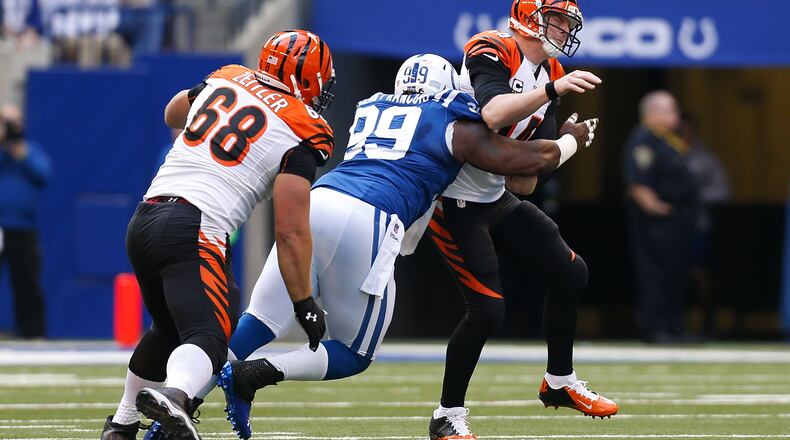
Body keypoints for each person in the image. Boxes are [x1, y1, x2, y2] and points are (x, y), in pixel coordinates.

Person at [211, 53, 597, 440]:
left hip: (319, 199)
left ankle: (181, 397)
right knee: (354, 353)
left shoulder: (370, 105)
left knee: (259, 320)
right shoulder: (451, 116)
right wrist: (568, 141)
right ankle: (256, 373)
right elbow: (517, 161)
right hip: (371, 217)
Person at [100, 29, 336, 440]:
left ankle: (121, 426)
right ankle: (176, 395)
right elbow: (292, 229)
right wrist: (304, 301)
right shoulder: (304, 127)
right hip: (196, 226)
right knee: (210, 337)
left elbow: (173, 113)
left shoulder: (228, 76)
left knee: (168, 328)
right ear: (310, 78)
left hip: (146, 217)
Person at [424, 2, 617, 438]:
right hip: (452, 200)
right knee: (488, 310)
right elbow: (492, 113)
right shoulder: (492, 48)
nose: (566, 29)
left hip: (493, 197)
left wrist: (560, 146)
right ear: (530, 18)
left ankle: (559, 381)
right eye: (559, 19)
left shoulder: (551, 72)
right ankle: (446, 416)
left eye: (569, 22)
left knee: (571, 272)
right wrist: (553, 98)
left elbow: (523, 182)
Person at [624, 90, 699, 343]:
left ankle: (673, 326)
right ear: (652, 113)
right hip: (658, 221)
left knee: (676, 273)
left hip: (677, 219)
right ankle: (654, 327)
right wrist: (657, 208)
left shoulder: (667, 141)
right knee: (656, 272)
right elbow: (638, 182)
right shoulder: (643, 140)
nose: (674, 115)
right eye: (669, 110)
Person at [0, 103, 51, 339]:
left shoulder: (28, 150)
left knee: (26, 281)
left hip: (22, 227)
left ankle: (32, 332)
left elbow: (43, 174)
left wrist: (19, 151)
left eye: (14, 122)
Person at [682, 114, 729, 337]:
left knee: (700, 273)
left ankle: (708, 320)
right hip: (671, 225)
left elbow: (722, 190)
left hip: (697, 224)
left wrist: (695, 196)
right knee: (674, 272)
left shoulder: (705, 159)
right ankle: (675, 323)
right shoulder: (669, 153)